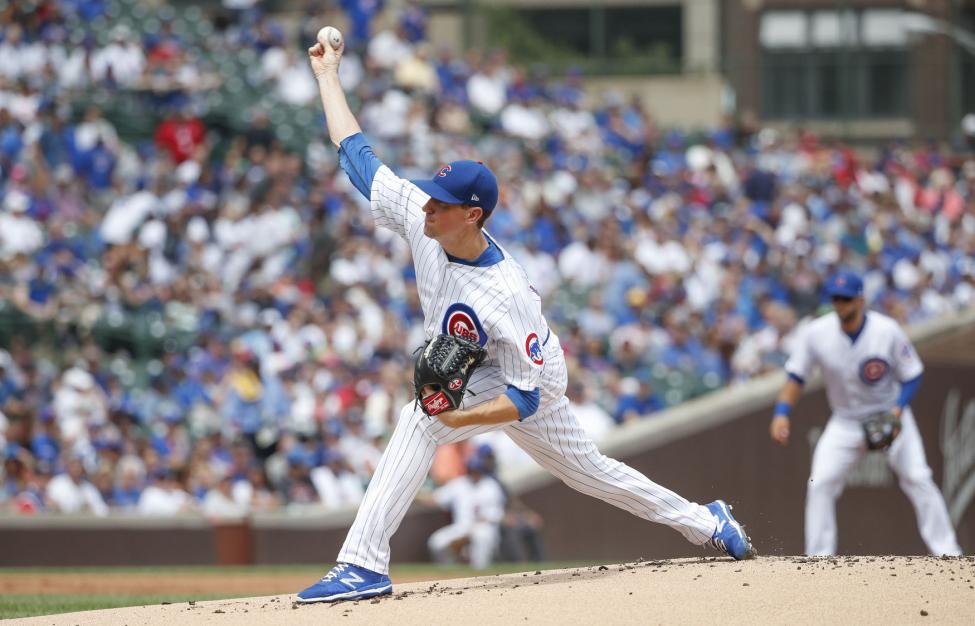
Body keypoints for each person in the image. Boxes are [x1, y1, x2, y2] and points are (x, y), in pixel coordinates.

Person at [296, 32, 755, 605]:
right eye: (429, 196)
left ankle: (705, 522)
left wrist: (458, 418)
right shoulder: (422, 216)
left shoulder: (506, 293)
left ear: (473, 215)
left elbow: (526, 397)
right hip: (480, 367)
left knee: (562, 466)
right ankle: (707, 520)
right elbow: (356, 154)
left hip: (528, 377)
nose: (427, 205)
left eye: (441, 201)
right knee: (467, 435)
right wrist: (328, 78)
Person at [769, 271, 962, 556]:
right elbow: (796, 377)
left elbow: (912, 375)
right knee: (819, 483)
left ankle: (949, 552)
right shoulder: (817, 333)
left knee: (918, 477)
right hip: (845, 421)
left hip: (888, 414)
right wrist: (781, 412)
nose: (840, 304)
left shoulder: (886, 330)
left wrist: (897, 410)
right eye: (836, 299)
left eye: (846, 299)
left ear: (860, 300)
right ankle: (818, 559)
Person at [426, 456, 505, 569]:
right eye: (472, 471)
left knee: (482, 537)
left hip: (483, 527)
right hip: (461, 528)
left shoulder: (491, 486)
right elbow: (436, 499)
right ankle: (449, 571)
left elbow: (495, 515)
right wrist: (414, 495)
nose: (474, 474)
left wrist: (470, 533)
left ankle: (479, 571)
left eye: (477, 471)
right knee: (436, 542)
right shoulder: (459, 484)